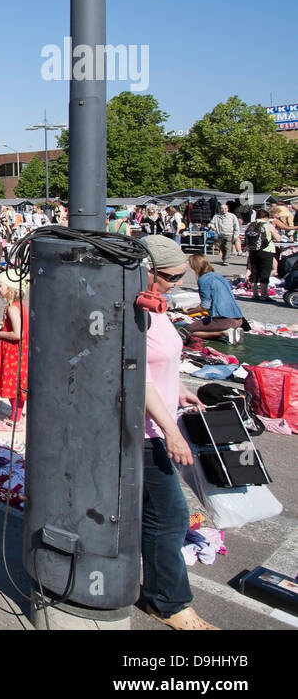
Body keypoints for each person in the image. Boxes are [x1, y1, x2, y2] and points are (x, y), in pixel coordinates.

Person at [137, 237, 216, 629]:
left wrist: (179, 390)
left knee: (156, 514)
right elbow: (134, 374)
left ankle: (160, 593)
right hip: (146, 431)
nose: (176, 284)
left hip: (158, 423)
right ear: (147, 270)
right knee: (169, 517)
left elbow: (157, 365)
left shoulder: (156, 305)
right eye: (170, 277)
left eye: (181, 277)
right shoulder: (135, 308)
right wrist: (170, 430)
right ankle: (168, 602)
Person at [0, 270, 29, 431]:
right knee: (18, 384)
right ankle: (17, 414)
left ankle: (15, 420)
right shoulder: (20, 306)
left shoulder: (13, 308)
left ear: (11, 288)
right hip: (19, 351)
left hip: (13, 351)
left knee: (14, 385)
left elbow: (18, 334)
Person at [182, 254, 244, 343]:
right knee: (200, 327)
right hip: (238, 318)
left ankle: (223, 333)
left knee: (185, 331)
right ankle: (228, 334)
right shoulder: (218, 276)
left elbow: (205, 306)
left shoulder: (203, 280)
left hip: (224, 320)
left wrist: (188, 312)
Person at [244, 212, 281, 301]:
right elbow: (278, 238)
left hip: (253, 250)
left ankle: (255, 294)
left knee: (254, 271)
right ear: (266, 217)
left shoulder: (250, 225)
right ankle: (264, 294)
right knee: (265, 272)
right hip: (266, 251)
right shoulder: (268, 225)